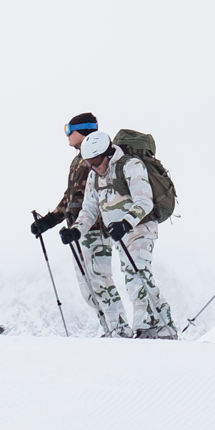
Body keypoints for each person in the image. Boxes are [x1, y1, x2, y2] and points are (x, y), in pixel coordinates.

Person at [29, 113, 132, 337]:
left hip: (96, 229)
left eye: (69, 129)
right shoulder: (79, 160)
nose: (66, 135)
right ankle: (110, 329)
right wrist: (48, 221)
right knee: (88, 287)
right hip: (78, 233)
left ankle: (120, 329)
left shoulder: (96, 158)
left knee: (100, 281)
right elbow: (71, 198)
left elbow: (93, 199)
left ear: (82, 131)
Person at [78, 129, 178, 339]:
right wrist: (76, 230)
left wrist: (125, 222)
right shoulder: (94, 175)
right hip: (119, 234)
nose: (94, 167)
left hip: (140, 228)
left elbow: (144, 201)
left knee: (137, 273)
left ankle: (154, 326)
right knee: (133, 274)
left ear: (107, 153)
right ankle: (157, 325)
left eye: (96, 161)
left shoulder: (130, 165)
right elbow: (89, 208)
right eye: (89, 162)